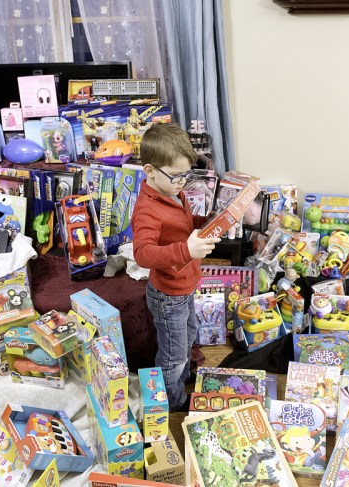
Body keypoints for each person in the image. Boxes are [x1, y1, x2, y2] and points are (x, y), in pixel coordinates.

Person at [132, 123, 221, 411]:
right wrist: (187, 250)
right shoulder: (147, 207)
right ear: (150, 171)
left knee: (189, 338)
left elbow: (181, 226)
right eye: (176, 176)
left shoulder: (173, 191)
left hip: (185, 284)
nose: (183, 182)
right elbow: (143, 254)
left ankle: (181, 378)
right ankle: (173, 401)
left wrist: (206, 222)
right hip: (168, 294)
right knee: (172, 354)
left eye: (187, 174)